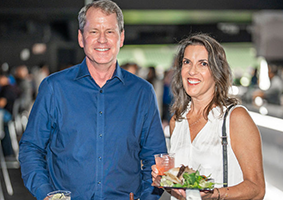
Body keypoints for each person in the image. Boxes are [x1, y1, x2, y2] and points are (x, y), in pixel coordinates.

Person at [18, 1, 167, 200]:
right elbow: (31, 149)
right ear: (81, 38)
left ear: (121, 38)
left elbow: (155, 158)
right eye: (94, 32)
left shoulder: (142, 92)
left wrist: (148, 197)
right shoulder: (54, 88)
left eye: (110, 32)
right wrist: (46, 194)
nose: (102, 40)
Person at [152, 33, 265, 199]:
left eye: (203, 64)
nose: (192, 71)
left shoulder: (234, 117)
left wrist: (213, 195)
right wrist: (166, 182)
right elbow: (184, 192)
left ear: (217, 71)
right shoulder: (178, 121)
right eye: (187, 62)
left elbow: (257, 189)